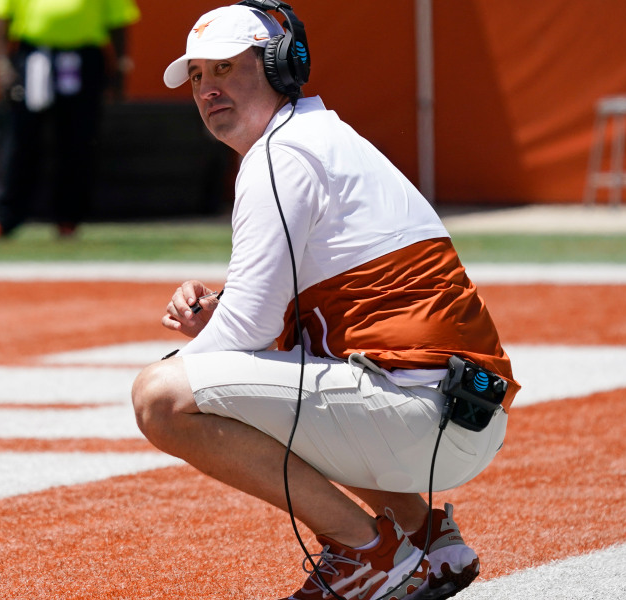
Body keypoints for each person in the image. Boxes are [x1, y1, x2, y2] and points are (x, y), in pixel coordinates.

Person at [131, 3, 520, 600]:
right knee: (240, 381)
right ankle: (427, 540)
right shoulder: (320, 139)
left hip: (422, 413)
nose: (208, 90)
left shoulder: (280, 155)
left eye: (226, 69)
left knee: (160, 397)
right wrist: (222, 316)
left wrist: (187, 362)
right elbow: (306, 309)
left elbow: (253, 328)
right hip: (453, 408)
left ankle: (366, 554)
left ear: (280, 67)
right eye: (199, 76)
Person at [0, 0, 140, 241]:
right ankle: (2, 216)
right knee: (21, 139)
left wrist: (121, 65)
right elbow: (1, 14)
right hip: (34, 56)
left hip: (83, 57)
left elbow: (118, 19)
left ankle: (68, 217)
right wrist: (1, 63)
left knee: (78, 140)